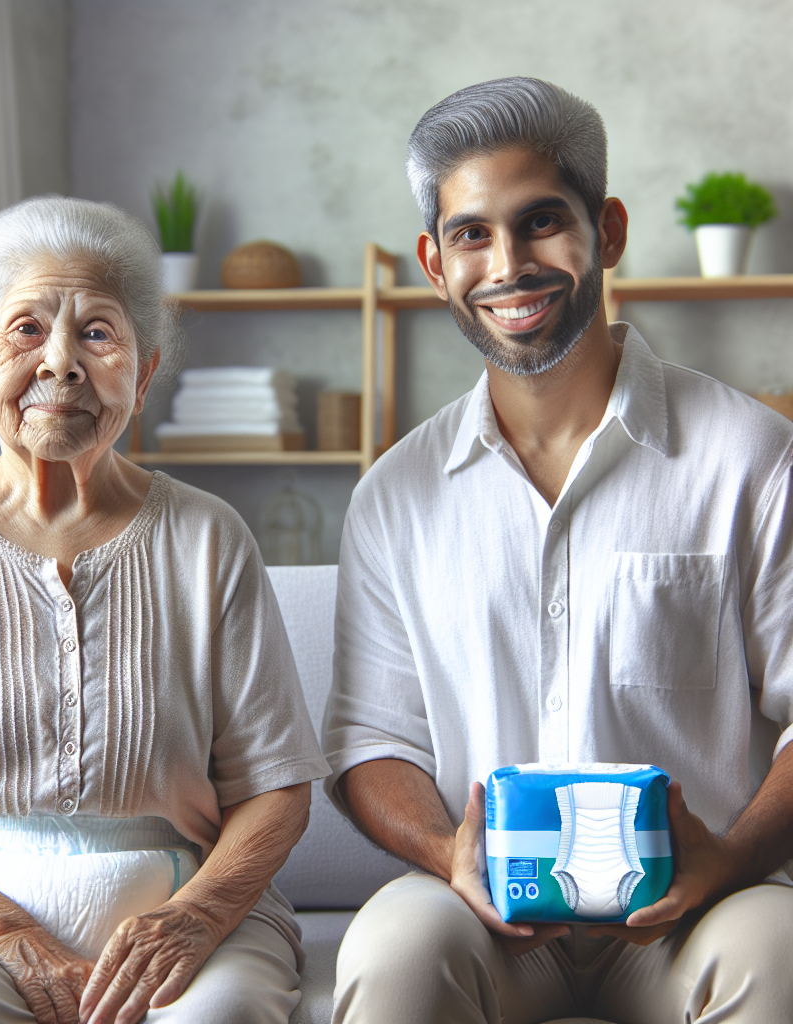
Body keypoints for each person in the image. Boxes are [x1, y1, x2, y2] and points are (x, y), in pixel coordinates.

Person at [321, 78, 793, 1024]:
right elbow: (369, 742)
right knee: (393, 952)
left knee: (779, 954)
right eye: (472, 234)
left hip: (697, 907)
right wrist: (443, 850)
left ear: (607, 231)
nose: (509, 265)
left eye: (542, 222)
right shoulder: (394, 497)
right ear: (432, 260)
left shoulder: (751, 456)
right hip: (484, 914)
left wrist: (730, 858)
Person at [0, 195, 331, 1024]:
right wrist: (5, 932)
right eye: (25, 330)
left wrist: (194, 916)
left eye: (97, 332)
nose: (61, 363)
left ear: (144, 372)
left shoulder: (210, 537)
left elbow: (276, 788)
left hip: (183, 905)